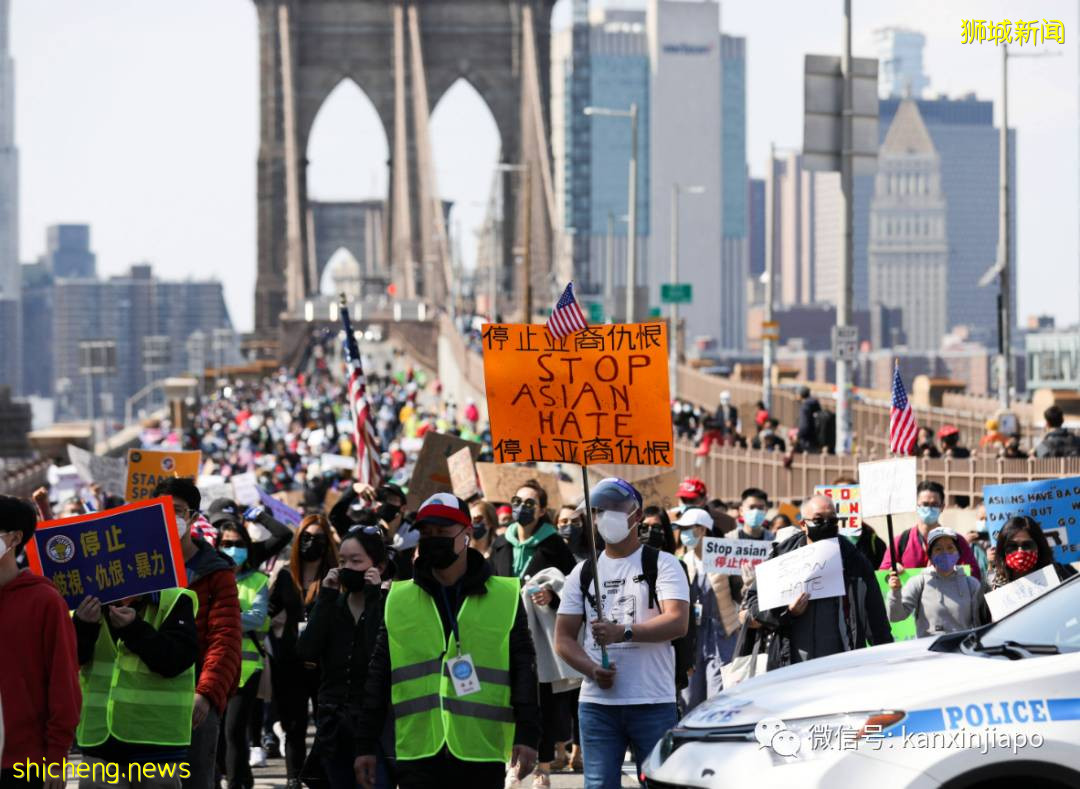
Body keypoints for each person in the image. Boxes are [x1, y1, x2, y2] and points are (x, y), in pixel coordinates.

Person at [354, 493, 539, 789]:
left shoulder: (504, 595)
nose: (432, 539)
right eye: (426, 533)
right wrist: (365, 744)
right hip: (417, 750)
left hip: (480, 749)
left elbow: (524, 668)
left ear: (467, 535)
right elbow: (378, 674)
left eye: (442, 532)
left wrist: (528, 734)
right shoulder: (398, 598)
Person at [554, 478, 690, 788]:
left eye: (617, 508)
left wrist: (623, 632)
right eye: (600, 510)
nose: (606, 516)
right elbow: (562, 638)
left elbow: (678, 622)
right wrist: (591, 669)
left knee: (660, 783)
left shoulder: (664, 564)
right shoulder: (583, 572)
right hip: (597, 705)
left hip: (653, 701)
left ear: (637, 516)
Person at [152, 478, 241, 789]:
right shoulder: (136, 566)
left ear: (192, 516)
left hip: (193, 702)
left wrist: (205, 694)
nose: (170, 517)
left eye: (177, 511)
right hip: (140, 702)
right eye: (162, 510)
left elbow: (225, 638)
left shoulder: (216, 571)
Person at [489, 482, 575, 788]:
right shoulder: (500, 543)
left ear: (541, 510)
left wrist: (552, 597)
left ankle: (543, 765)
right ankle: (512, 762)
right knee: (507, 696)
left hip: (539, 636)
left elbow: (573, 590)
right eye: (517, 501)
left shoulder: (553, 545)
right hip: (504, 631)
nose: (521, 507)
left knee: (543, 700)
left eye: (529, 503)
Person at [72, 585, 198, 789]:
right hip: (100, 741)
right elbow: (72, 658)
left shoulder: (175, 600)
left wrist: (135, 629)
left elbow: (177, 659)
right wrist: (82, 625)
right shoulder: (84, 601)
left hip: (156, 742)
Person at [746, 494, 892, 669]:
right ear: (803, 525)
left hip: (841, 661)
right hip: (791, 662)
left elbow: (875, 616)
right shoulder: (782, 555)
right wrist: (787, 612)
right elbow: (755, 603)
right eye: (818, 520)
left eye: (832, 520)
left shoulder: (854, 560)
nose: (826, 525)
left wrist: (886, 659)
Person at [298, 526, 391, 789]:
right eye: (342, 561)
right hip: (333, 727)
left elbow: (378, 650)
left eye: (356, 561)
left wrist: (374, 597)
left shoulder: (388, 606)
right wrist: (326, 597)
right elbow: (307, 651)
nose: (346, 567)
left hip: (374, 727)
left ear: (379, 567)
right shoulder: (331, 605)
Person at [0, 495, 81, 789]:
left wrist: (56, 758)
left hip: (23, 765)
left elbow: (63, 684)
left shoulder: (45, 601)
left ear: (14, 538)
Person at [279, 514, 340, 788]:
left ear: (327, 543)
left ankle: (320, 776)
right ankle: (293, 779)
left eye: (317, 538)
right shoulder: (284, 576)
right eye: (305, 537)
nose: (310, 543)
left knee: (324, 724)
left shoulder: (334, 577)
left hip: (322, 663)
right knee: (294, 727)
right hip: (290, 661)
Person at [215, 517, 272, 789]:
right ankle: (230, 777)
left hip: (246, 667)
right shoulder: (209, 577)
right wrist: (237, 616)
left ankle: (237, 782)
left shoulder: (259, 580)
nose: (232, 549)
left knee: (234, 730)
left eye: (238, 544)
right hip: (213, 664)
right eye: (226, 543)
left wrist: (223, 615)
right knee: (215, 731)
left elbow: (258, 618)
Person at [674, 507, 737, 710]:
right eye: (681, 529)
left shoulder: (725, 557)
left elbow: (741, 592)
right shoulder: (681, 561)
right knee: (690, 698)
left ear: (702, 530)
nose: (683, 534)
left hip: (721, 636)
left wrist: (747, 580)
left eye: (688, 528)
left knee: (718, 699)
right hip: (692, 639)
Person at [886, 527, 988, 637]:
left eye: (950, 547)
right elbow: (895, 616)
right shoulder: (918, 582)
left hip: (961, 650)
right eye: (938, 549)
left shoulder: (972, 584)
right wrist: (895, 592)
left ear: (958, 552)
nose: (945, 553)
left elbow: (981, 624)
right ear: (931, 555)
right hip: (929, 651)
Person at [879, 481, 982, 580]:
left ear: (942, 507)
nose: (929, 508)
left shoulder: (957, 541)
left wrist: (950, 571)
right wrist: (892, 570)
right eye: (925, 504)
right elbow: (882, 575)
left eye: (934, 505)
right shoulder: (900, 542)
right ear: (916, 506)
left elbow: (974, 574)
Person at [988, 516, 1078, 591]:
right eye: (1012, 546)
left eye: (1027, 545)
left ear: (1039, 546)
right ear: (1002, 550)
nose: (1020, 552)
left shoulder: (1060, 574)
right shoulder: (994, 588)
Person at [795, 386, 822, 453]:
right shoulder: (815, 404)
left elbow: (804, 425)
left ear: (800, 395)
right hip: (816, 438)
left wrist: (798, 436)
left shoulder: (805, 407)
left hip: (806, 441)